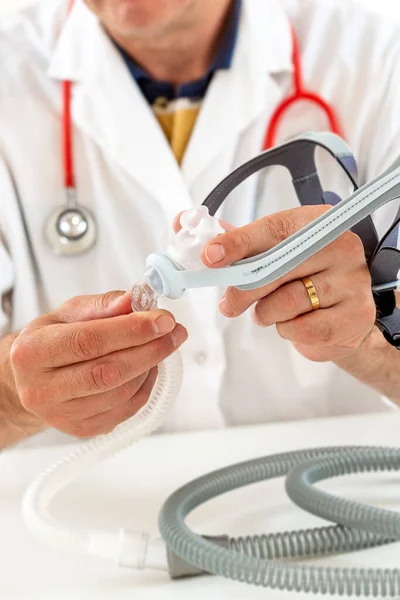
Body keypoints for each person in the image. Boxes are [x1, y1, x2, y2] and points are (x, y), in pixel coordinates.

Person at [1, 0, 400, 450]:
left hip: (332, 498)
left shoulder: (379, 63)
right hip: (82, 512)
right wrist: (14, 394)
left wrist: (367, 338)